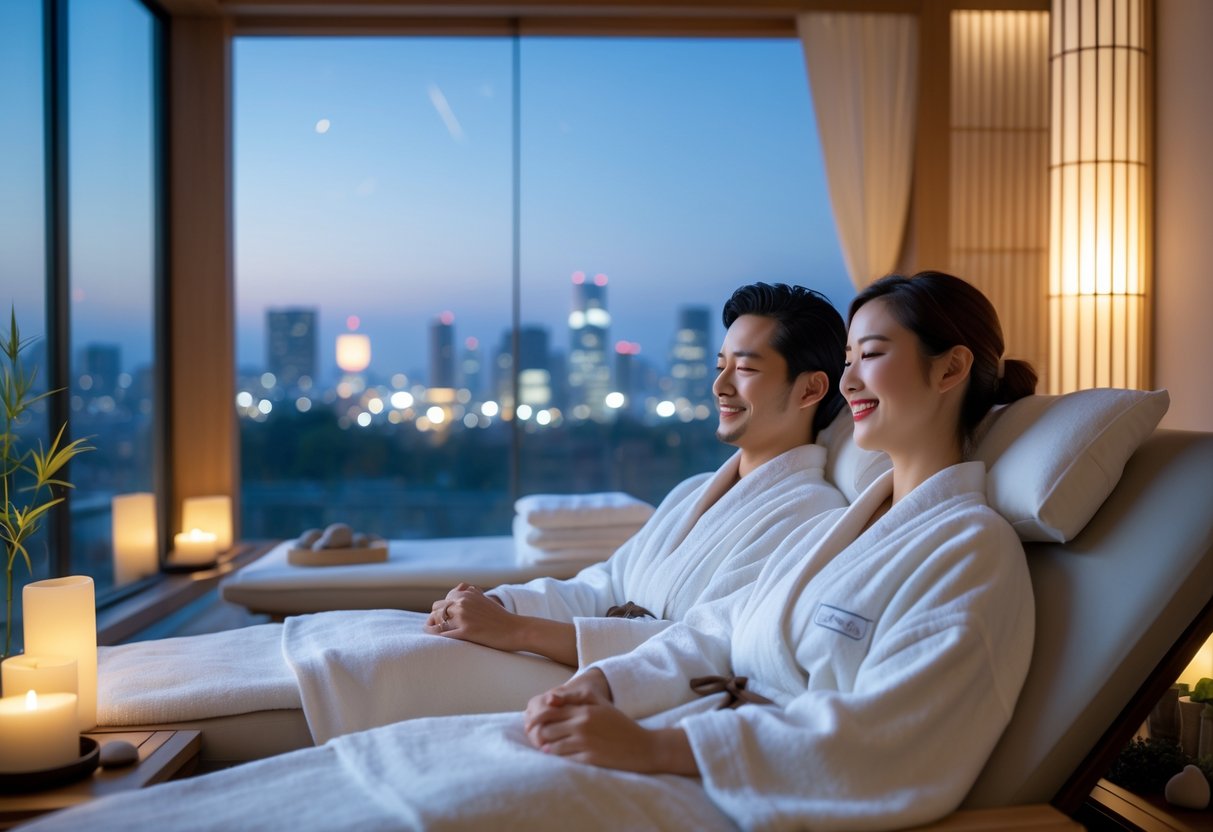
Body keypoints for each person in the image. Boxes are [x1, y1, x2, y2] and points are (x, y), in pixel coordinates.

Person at [36, 272, 1039, 832]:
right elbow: (707, 634)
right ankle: (67, 708)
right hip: (668, 731)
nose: (859, 378)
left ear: (951, 367)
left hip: (729, 784)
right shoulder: (846, 523)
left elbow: (884, 743)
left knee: (442, 782)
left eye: (874, 354)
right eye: (853, 353)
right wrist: (605, 690)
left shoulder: (966, 552)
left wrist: (655, 741)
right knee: (390, 728)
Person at [96, 283, 851, 744]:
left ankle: (122, 712)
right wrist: (496, 603)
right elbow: (601, 580)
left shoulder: (808, 516)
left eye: (744, 368)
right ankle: (106, 688)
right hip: (564, 646)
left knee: (376, 659)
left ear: (812, 390)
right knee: (361, 629)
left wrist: (518, 631)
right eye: (718, 363)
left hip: (616, 684)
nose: (720, 382)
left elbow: (704, 648)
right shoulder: (695, 489)